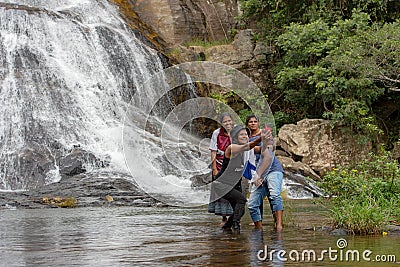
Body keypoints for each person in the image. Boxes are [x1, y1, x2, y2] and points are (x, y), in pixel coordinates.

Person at [210, 125, 262, 233]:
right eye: (241, 134)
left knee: (240, 210)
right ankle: (236, 228)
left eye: (246, 134)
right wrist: (261, 138)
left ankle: (226, 228)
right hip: (221, 184)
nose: (245, 136)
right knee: (241, 200)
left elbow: (257, 148)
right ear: (235, 136)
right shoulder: (231, 148)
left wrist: (268, 143)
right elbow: (250, 146)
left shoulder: (247, 151)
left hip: (234, 184)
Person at [248, 128, 284, 231]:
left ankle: (279, 225)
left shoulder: (263, 140)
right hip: (259, 174)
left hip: (273, 170)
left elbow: (267, 157)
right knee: (252, 204)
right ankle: (259, 229)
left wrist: (258, 175)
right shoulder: (239, 147)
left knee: (274, 195)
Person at [208, 112, 234, 225]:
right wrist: (214, 169)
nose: (227, 123)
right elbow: (213, 150)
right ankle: (224, 217)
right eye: (225, 122)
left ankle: (234, 216)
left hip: (234, 165)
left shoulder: (236, 131)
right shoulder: (216, 133)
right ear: (221, 123)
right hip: (220, 163)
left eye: (229, 121)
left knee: (235, 190)